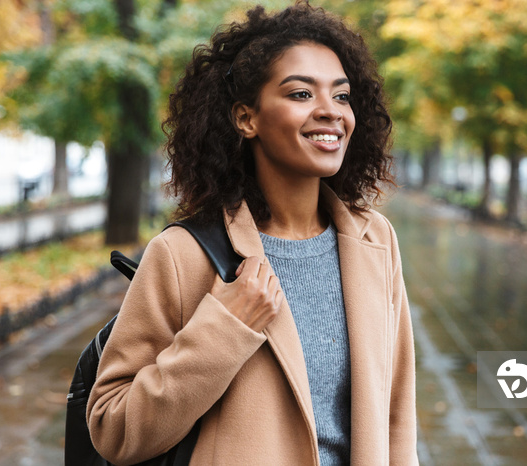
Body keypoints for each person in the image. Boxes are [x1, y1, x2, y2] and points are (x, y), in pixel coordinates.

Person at [86, 2, 417, 464]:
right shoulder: (183, 255)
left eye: (341, 96)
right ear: (247, 118)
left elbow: (396, 416)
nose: (330, 112)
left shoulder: (375, 241)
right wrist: (224, 329)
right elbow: (112, 429)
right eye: (302, 94)